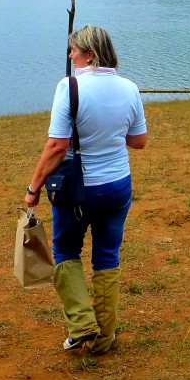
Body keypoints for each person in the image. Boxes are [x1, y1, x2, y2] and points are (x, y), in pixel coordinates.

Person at [24, 25, 148, 354]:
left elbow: (56, 147)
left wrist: (33, 187)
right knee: (107, 256)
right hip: (119, 186)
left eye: (74, 50)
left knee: (65, 250)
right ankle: (103, 338)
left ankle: (81, 324)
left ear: (90, 53)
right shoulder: (130, 88)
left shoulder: (70, 87)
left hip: (79, 190)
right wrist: (108, 133)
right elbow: (139, 141)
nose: (70, 55)